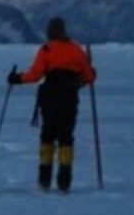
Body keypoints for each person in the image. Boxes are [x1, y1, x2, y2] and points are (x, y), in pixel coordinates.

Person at [9, 16, 95, 193]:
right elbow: (88, 78)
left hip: (49, 99)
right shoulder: (77, 50)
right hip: (69, 99)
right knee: (66, 138)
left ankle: (44, 181)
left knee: (47, 137)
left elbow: (35, 75)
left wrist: (16, 79)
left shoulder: (46, 49)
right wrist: (92, 71)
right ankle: (64, 182)